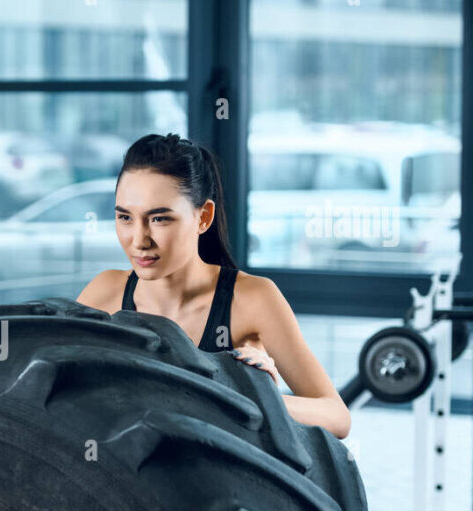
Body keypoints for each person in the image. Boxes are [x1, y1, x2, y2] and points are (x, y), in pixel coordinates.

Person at [76, 133, 351, 439]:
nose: (139, 240)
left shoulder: (252, 299)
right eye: (125, 217)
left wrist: (260, 399)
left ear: (203, 217)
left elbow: (336, 417)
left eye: (160, 220)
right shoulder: (104, 293)